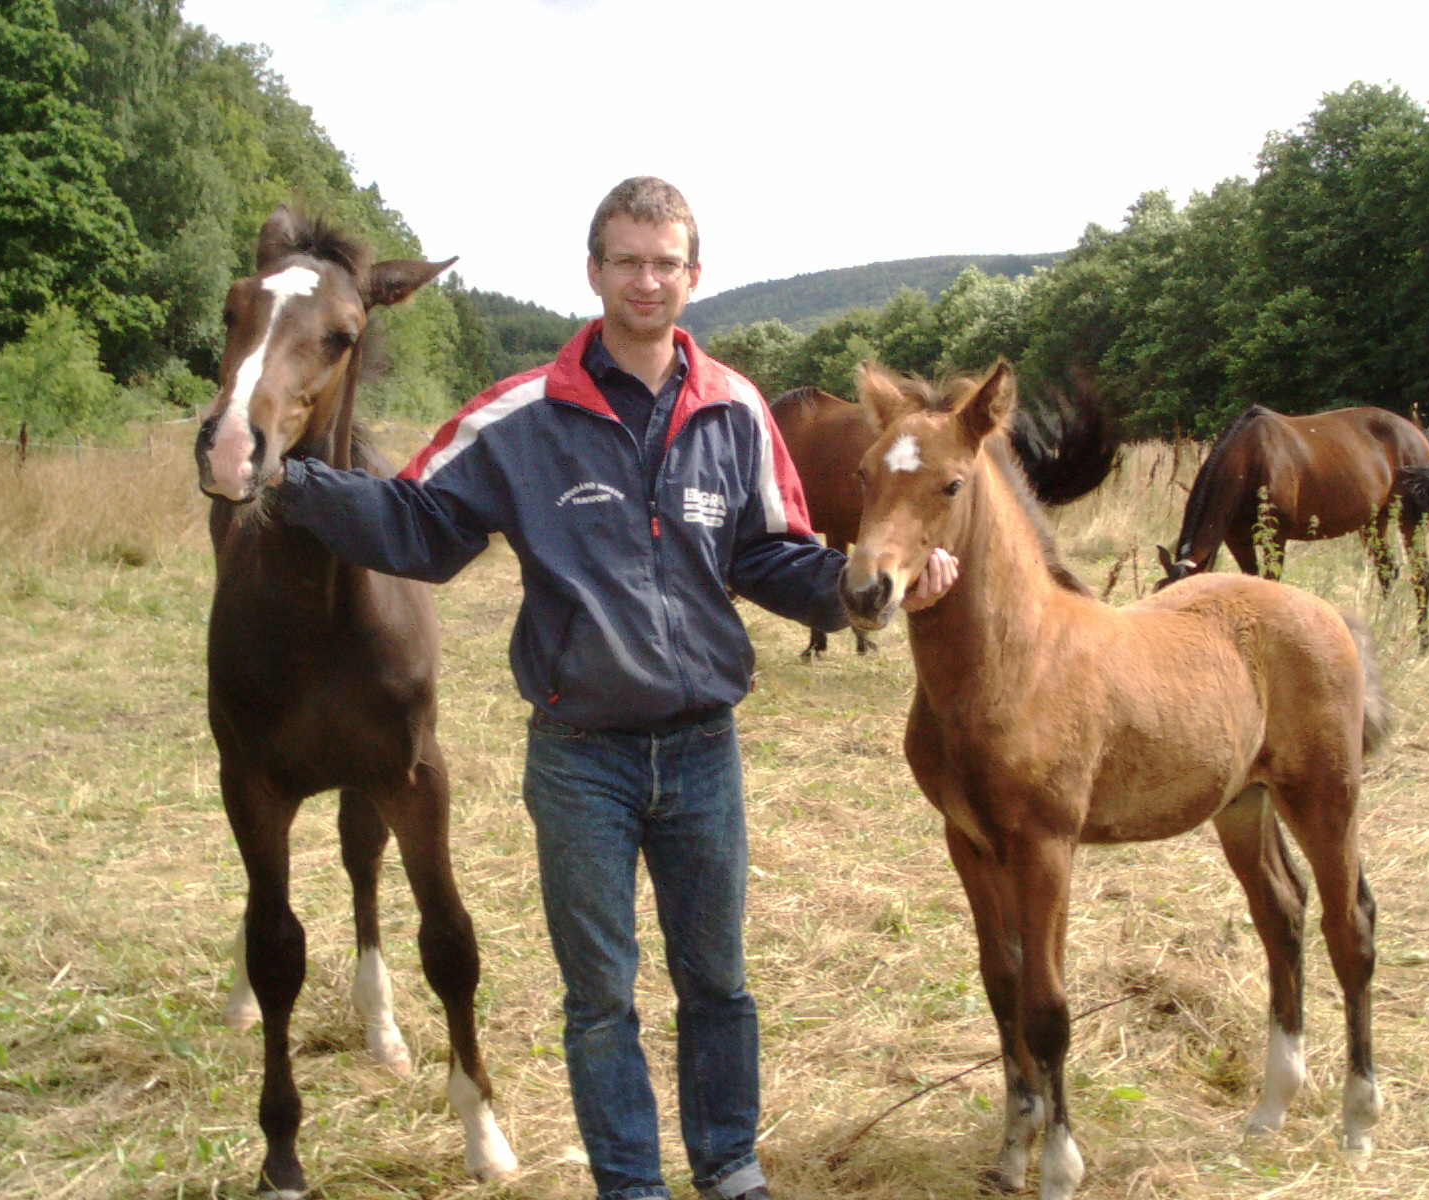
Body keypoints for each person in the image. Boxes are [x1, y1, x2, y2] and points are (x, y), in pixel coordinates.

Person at [271, 176, 957, 1200]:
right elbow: (418, 527)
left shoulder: (734, 410)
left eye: (665, 262)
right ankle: (630, 1185)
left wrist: (859, 594)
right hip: (579, 756)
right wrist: (289, 482)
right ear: (593, 272)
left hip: (702, 750)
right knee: (600, 998)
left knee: (717, 982)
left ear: (693, 276)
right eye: (627, 260)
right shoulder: (518, 415)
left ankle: (729, 1168)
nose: (647, 280)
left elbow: (768, 554)